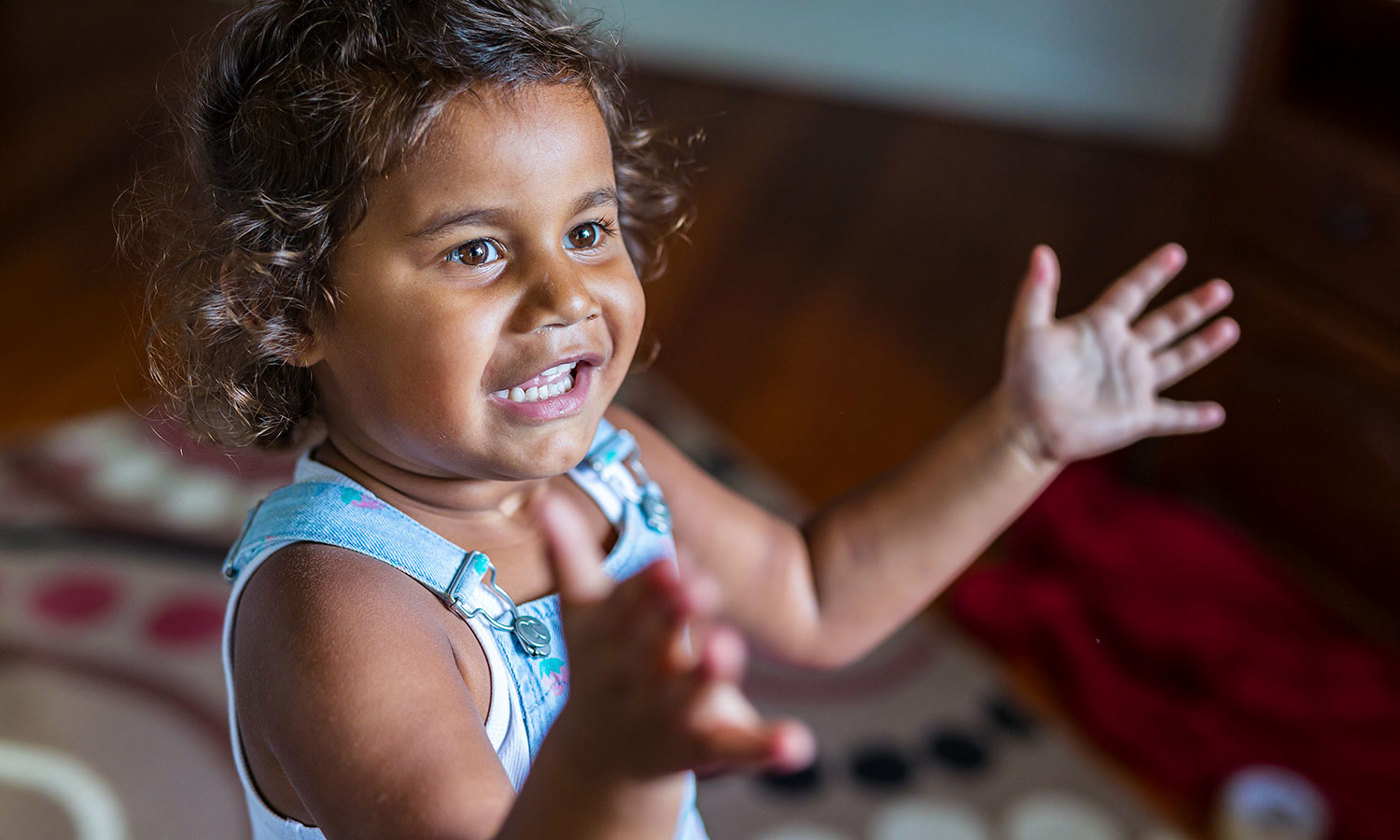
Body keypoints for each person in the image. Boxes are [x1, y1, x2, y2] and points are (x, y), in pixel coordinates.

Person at [139, 1, 1240, 837]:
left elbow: (813, 597)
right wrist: (614, 758)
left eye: (586, 230)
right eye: (475, 251)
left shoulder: (610, 465)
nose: (565, 299)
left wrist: (1024, 436)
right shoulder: (334, 607)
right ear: (287, 304)